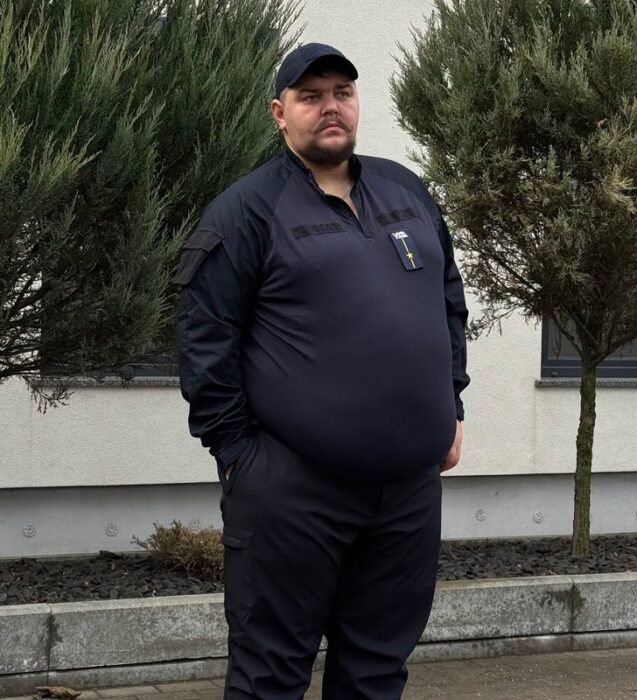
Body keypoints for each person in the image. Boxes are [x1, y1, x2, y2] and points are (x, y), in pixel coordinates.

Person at [175, 42, 469, 700]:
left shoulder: (406, 190)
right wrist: (238, 455)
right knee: (270, 678)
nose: (330, 107)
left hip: (408, 495)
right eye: (310, 96)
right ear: (280, 114)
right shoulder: (246, 211)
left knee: (376, 672)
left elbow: (447, 300)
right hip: (292, 493)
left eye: (342, 92)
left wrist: (451, 407)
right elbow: (204, 336)